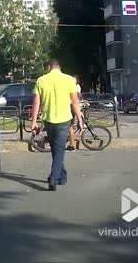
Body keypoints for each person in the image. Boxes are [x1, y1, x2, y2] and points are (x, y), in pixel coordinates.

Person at [31, 59, 83, 191]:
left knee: (56, 148)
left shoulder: (41, 80)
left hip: (48, 119)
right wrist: (79, 119)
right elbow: (75, 101)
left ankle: (62, 176)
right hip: (64, 119)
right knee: (59, 149)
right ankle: (53, 178)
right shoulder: (69, 80)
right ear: (59, 67)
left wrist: (34, 122)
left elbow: (36, 103)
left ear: (49, 67)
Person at [67, 75, 82, 152]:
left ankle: (72, 144)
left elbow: (76, 97)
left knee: (70, 125)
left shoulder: (76, 87)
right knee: (69, 125)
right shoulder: (70, 86)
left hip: (71, 106)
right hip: (70, 105)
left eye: (74, 80)